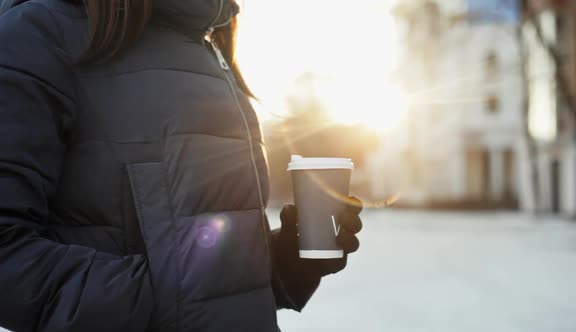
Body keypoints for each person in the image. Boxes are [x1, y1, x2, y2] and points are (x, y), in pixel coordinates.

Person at [0, 0, 363, 331]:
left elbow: (203, 254)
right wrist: (172, 299)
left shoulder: (208, 47)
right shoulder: (38, 34)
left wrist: (287, 261)